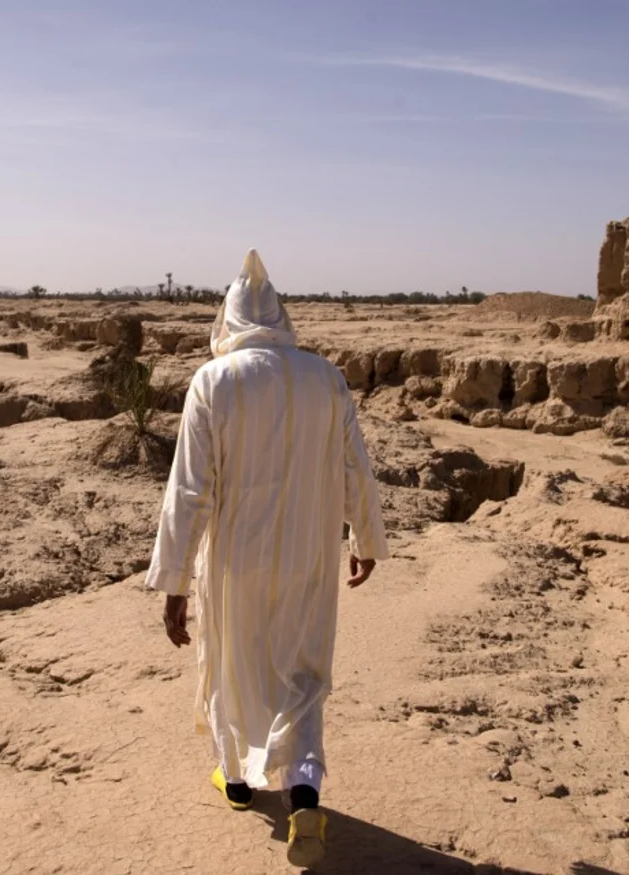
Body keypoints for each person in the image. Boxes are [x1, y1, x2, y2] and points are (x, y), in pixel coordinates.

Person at [146, 249, 389, 868]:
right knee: (302, 675)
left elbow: (190, 490)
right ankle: (304, 795)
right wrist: (364, 538)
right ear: (281, 319)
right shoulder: (326, 378)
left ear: (227, 321)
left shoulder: (214, 381)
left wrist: (174, 580)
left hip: (233, 560)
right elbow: (354, 469)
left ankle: (236, 782)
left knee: (233, 664)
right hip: (309, 554)